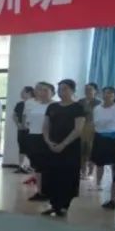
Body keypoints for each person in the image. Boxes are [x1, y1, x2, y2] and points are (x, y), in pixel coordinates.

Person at [41, 79, 86, 217]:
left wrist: (63, 144)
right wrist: (48, 141)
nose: (62, 91)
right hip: (52, 145)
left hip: (70, 147)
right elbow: (46, 126)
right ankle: (54, 204)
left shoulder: (78, 107)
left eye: (65, 89)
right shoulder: (52, 107)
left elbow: (78, 129)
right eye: (60, 89)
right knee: (51, 175)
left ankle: (64, 205)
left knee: (67, 176)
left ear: (72, 90)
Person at [25, 82, 54, 200]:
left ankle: (48, 192)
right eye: (40, 90)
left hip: (46, 138)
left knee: (47, 166)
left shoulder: (55, 106)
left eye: (46, 90)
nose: (42, 93)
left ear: (52, 92)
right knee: (37, 166)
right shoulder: (35, 106)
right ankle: (40, 191)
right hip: (33, 137)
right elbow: (28, 122)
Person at [92, 86, 115, 193]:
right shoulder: (97, 108)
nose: (107, 95)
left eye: (110, 93)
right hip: (99, 138)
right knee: (99, 163)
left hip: (114, 139)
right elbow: (95, 124)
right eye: (105, 93)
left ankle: (114, 184)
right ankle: (98, 184)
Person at [81, 82, 101, 179]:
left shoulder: (99, 103)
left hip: (93, 128)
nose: (87, 91)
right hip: (81, 128)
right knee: (81, 151)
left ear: (95, 91)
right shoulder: (80, 102)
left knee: (91, 150)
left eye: (90, 89)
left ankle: (90, 172)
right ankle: (83, 171)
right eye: (86, 89)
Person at [14, 86, 35, 173]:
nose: (21, 93)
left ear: (29, 93)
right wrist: (18, 124)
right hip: (21, 129)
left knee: (31, 148)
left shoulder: (35, 103)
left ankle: (32, 166)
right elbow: (14, 115)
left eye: (23, 92)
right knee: (21, 147)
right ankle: (21, 166)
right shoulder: (20, 104)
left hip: (31, 130)